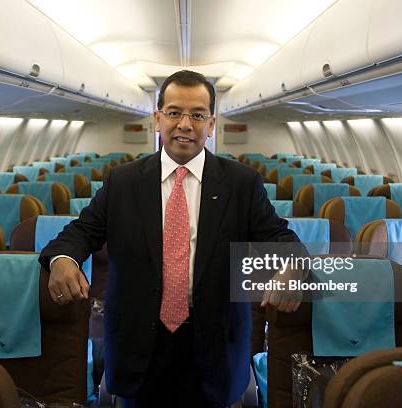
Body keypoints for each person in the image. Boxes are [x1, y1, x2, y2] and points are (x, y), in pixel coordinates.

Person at [38, 70, 305, 408]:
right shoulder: (123, 182)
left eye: (197, 115)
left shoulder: (241, 184)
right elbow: (80, 232)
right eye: (175, 112)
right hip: (139, 344)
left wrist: (294, 265)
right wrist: (64, 260)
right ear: (157, 118)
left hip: (214, 345)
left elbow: (280, 236)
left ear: (211, 125)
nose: (185, 124)